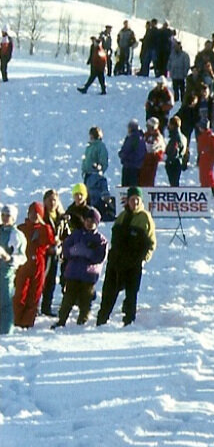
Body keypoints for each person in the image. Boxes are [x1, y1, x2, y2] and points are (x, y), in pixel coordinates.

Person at [96, 187, 156, 326]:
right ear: (127, 200)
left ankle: (129, 321)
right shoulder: (122, 216)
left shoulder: (145, 218)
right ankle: (102, 319)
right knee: (109, 292)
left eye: (137, 199)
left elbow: (151, 243)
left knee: (131, 294)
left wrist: (144, 259)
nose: (134, 202)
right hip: (116, 261)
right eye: (132, 199)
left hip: (134, 262)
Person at [52, 208, 107, 328]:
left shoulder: (100, 239)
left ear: (96, 223)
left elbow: (100, 257)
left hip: (89, 275)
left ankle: (82, 320)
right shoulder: (76, 235)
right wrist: (72, 251)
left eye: (92, 221)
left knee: (86, 300)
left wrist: (88, 253)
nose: (89, 223)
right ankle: (62, 320)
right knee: (67, 299)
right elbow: (66, 249)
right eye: (87, 220)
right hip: (73, 272)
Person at [14, 202, 55, 328]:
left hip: (39, 263)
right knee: (21, 292)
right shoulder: (22, 228)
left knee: (35, 293)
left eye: (37, 213)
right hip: (24, 264)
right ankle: (17, 318)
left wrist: (45, 226)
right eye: (32, 213)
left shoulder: (44, 229)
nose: (34, 216)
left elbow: (51, 242)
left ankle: (27, 321)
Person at [40, 190, 69, 317]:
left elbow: (66, 235)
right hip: (43, 253)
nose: (52, 203)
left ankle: (46, 306)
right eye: (49, 200)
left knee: (51, 281)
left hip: (55, 253)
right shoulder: (41, 216)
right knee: (40, 281)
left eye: (54, 200)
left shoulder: (61, 217)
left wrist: (61, 246)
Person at [0, 205, 26, 334]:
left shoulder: (16, 235)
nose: (5, 218)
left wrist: (8, 257)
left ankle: (6, 331)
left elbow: (22, 257)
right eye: (3, 215)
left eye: (8, 216)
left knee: (5, 302)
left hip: (6, 273)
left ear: (14, 218)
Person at [118, 119, 146, 187]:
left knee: (128, 187)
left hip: (130, 167)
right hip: (134, 166)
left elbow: (129, 151)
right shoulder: (139, 137)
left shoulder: (134, 138)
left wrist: (123, 156)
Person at [196, 121, 214, 197]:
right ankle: (204, 188)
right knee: (202, 175)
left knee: (208, 175)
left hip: (209, 159)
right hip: (203, 159)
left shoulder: (211, 136)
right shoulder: (201, 136)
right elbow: (200, 148)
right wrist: (199, 156)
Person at [138, 118, 165, 187]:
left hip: (151, 163)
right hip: (144, 162)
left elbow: (150, 148)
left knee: (148, 182)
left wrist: (142, 144)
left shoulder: (157, 137)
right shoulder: (147, 135)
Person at [164, 116, 187, 187]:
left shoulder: (175, 137)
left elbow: (174, 151)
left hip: (174, 164)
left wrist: (169, 160)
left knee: (174, 184)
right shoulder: (183, 137)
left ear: (173, 125)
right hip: (179, 161)